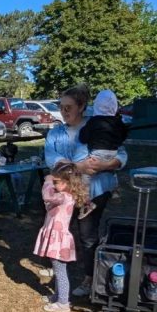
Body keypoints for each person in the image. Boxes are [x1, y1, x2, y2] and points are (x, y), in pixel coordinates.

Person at [44, 83, 127, 299]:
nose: (64, 111)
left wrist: (105, 165)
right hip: (64, 193)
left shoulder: (98, 125)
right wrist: (78, 167)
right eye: (61, 107)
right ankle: (58, 269)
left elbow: (121, 153)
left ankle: (90, 279)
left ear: (81, 107)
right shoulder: (55, 133)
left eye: (68, 107)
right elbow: (52, 159)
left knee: (87, 235)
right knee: (59, 230)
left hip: (95, 190)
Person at [34, 162, 89, 312]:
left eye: (56, 182)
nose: (53, 184)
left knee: (60, 272)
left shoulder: (64, 196)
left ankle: (63, 303)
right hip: (57, 238)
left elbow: (47, 195)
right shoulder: (65, 195)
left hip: (58, 241)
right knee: (59, 270)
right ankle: (58, 296)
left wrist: (47, 180)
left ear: (67, 182)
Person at [77, 89, 129, 218]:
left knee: (86, 176)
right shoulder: (118, 122)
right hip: (113, 152)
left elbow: (83, 137)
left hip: (98, 152)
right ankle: (115, 190)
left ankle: (86, 203)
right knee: (111, 170)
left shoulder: (93, 121)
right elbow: (123, 135)